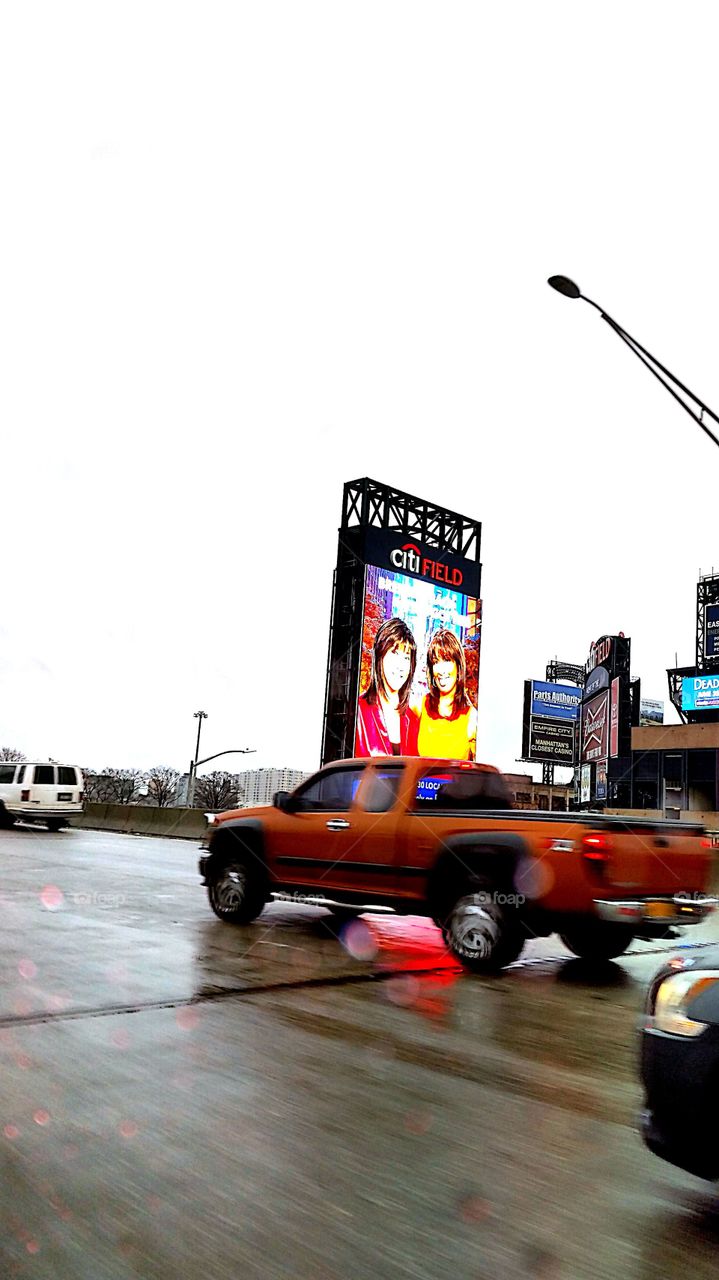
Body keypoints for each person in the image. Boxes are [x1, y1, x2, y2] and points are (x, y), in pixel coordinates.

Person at [355, 618, 420, 757]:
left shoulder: (413, 720)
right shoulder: (358, 711)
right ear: (380, 656)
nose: (400, 665)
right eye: (395, 653)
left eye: (406, 657)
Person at [416, 628, 477, 760]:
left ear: (458, 666)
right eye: (436, 662)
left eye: (447, 660)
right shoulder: (419, 707)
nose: (442, 670)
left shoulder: (471, 718)